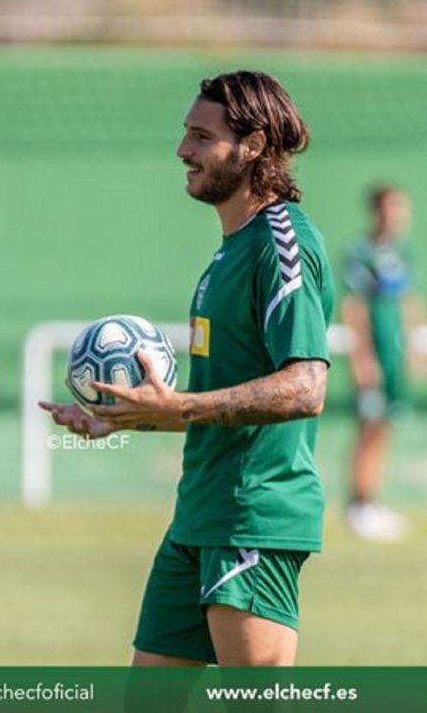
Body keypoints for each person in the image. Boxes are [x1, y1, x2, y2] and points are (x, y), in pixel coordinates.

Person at [41, 71, 332, 667]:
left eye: (201, 137)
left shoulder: (283, 246)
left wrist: (178, 406)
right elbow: (217, 404)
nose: (183, 151)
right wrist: (130, 418)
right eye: (185, 135)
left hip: (251, 519)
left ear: (251, 147)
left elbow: (306, 386)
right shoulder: (229, 251)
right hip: (197, 518)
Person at [342, 185, 421, 542]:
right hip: (373, 355)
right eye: (390, 207)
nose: (397, 215)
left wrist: (412, 350)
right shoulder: (360, 253)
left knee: (384, 427)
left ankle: (371, 501)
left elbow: (407, 302)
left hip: (394, 357)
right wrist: (363, 357)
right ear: (376, 211)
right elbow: (354, 308)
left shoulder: (402, 253)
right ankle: (358, 504)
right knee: (368, 428)